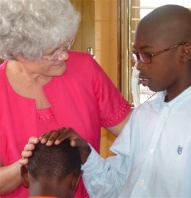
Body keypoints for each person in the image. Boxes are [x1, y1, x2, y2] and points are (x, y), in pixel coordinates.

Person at [23, 4, 191, 198]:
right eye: (136, 55)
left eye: (147, 55)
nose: (139, 65)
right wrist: (85, 154)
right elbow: (116, 187)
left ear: (185, 52)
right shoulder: (143, 116)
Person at [0, 0, 131, 197]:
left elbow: (137, 137)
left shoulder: (86, 69)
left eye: (66, 45)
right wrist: (29, 165)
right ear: (20, 54)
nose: (65, 57)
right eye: (53, 53)